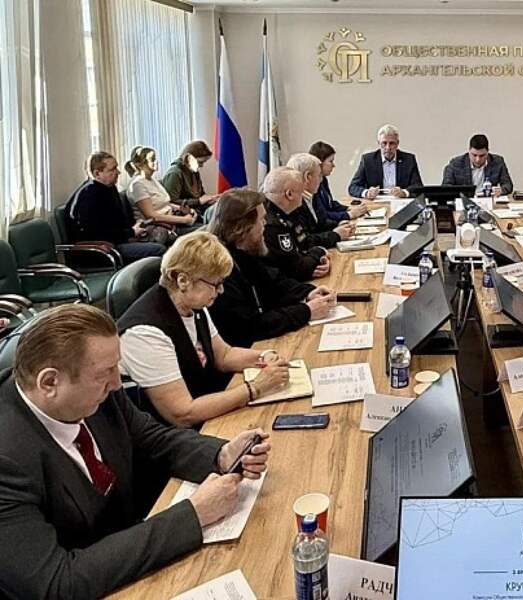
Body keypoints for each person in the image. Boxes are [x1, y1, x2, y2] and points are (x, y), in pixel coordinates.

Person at [0, 303, 271, 598]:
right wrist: (193, 515)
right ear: (50, 382)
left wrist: (221, 455)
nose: (118, 384)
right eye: (105, 373)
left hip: (131, 561)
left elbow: (152, 439)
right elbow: (58, 583)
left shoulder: (96, 392)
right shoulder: (7, 461)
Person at [118, 232, 292, 428]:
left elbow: (224, 355)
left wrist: (263, 357)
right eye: (215, 284)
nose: (221, 291)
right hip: (175, 433)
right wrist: (255, 388)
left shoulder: (193, 304)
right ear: (183, 280)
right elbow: (182, 414)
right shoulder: (145, 333)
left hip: (205, 409)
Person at [207, 188, 336, 347]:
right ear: (242, 228)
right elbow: (249, 327)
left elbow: (274, 282)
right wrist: (306, 311)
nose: (265, 224)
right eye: (261, 220)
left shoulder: (244, 250)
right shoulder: (219, 269)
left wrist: (308, 293)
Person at [66, 151, 166, 263]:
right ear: (97, 173)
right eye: (112, 169)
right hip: (100, 250)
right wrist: (131, 233)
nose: (118, 172)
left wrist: (136, 229)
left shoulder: (109, 188)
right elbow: (98, 233)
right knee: (159, 250)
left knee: (159, 237)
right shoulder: (89, 195)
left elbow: (117, 223)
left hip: (116, 241)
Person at [261, 167, 331, 282]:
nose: (303, 197)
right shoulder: (272, 224)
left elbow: (304, 243)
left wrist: (317, 255)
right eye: (301, 192)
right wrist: (319, 252)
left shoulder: (287, 211)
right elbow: (297, 269)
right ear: (289, 194)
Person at [286, 152, 354, 247]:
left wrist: (338, 224)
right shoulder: (293, 203)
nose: (321, 180)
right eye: (319, 175)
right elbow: (305, 242)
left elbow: (320, 223)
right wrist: (335, 235)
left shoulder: (311, 196)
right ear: (307, 177)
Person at [124, 145, 198, 231]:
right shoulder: (137, 185)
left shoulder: (152, 180)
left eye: (156, 158)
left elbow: (164, 204)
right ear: (140, 165)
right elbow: (151, 216)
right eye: (152, 159)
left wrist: (181, 209)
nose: (156, 162)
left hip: (172, 221)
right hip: (158, 228)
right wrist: (184, 220)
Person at [348, 124, 424, 199]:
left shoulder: (409, 160)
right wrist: (367, 193)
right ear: (379, 143)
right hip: (376, 203)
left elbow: (418, 186)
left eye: (392, 143)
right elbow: (353, 187)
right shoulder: (368, 160)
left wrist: (404, 192)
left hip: (401, 202)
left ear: (397, 143)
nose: (388, 147)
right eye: (384, 143)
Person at [309, 141, 368, 223]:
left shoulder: (323, 180)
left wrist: (348, 208)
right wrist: (349, 215)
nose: (333, 165)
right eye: (330, 161)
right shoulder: (313, 185)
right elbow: (322, 215)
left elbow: (330, 204)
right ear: (320, 162)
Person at [441, 134, 514, 196]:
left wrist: (501, 190)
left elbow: (508, 185)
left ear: (487, 152)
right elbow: (446, 187)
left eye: (482, 156)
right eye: (474, 155)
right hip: (465, 202)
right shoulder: (456, 163)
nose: (477, 159)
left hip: (488, 201)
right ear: (469, 150)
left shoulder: (497, 162)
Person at [161, 140, 219, 214]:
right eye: (200, 162)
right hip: (183, 213)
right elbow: (171, 201)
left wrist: (210, 200)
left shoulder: (194, 171)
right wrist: (198, 201)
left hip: (197, 209)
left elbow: (201, 195)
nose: (201, 165)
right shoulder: (174, 173)